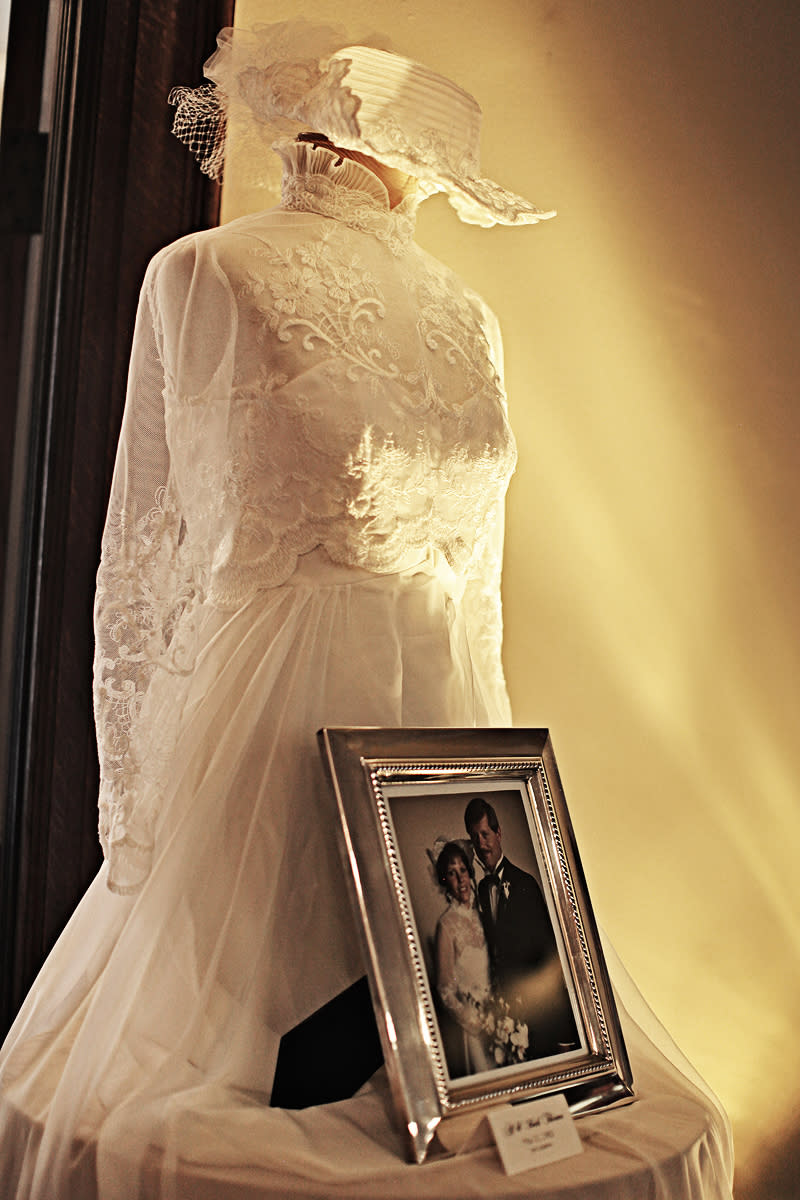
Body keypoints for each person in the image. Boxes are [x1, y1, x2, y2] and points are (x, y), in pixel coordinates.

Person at [0, 21, 558, 1199]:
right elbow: (146, 546)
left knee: (455, 1043)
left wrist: (491, 766)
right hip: (267, 716)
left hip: (433, 716)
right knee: (232, 1059)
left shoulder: (470, 317)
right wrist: (136, 779)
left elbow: (480, 571)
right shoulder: (207, 271)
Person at [464, 795, 580, 1058]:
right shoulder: (479, 890)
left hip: (537, 1011)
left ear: (498, 833)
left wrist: (563, 1031)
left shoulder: (525, 884)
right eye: (474, 837)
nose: (481, 844)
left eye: (485, 834)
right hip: (505, 1014)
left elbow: (550, 958)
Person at [433, 841, 492, 1076]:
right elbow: (445, 990)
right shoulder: (446, 926)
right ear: (445, 881)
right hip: (475, 1029)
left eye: (463, 871)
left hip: (501, 1019)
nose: (460, 879)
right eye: (452, 873)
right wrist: (473, 1021)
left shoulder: (484, 914)